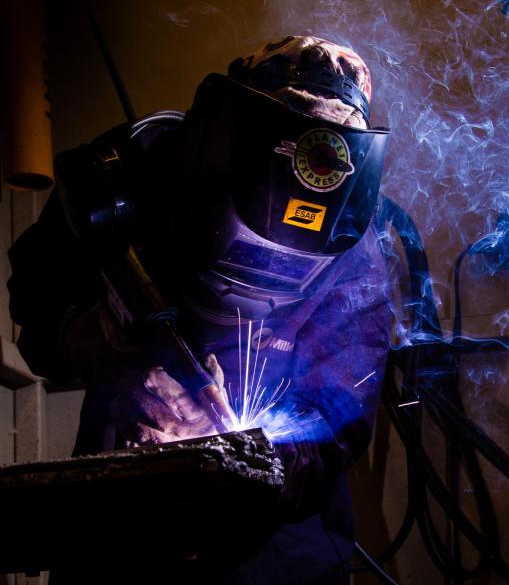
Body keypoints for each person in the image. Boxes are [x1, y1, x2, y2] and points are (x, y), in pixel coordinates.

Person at [8, 35, 392, 583]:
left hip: (278, 556)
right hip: (120, 538)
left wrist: (255, 465)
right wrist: (96, 339)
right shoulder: (129, 176)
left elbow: (340, 412)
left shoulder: (352, 239)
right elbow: (35, 309)